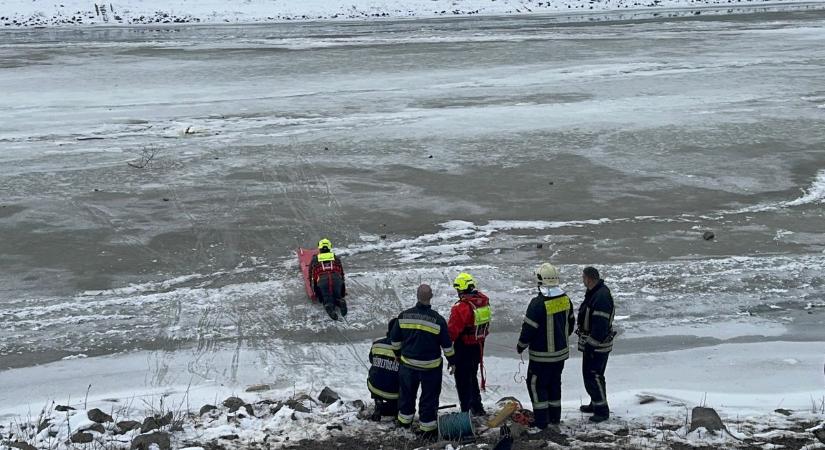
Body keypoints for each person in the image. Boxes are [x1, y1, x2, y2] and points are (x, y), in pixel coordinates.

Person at [390, 284, 455, 440]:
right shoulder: (438, 320)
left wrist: (398, 355)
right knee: (429, 398)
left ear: (417, 296)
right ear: (430, 296)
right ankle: (427, 428)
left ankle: (404, 423)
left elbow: (394, 340)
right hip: (430, 368)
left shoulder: (404, 316)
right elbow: (447, 346)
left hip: (408, 365)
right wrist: (452, 362)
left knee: (406, 395)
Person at [516, 263, 575, 431]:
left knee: (537, 385)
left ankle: (542, 421)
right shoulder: (565, 300)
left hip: (541, 357)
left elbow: (528, 329)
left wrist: (521, 345)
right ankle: (554, 417)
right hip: (560, 355)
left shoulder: (537, 303)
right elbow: (570, 324)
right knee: (554, 384)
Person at [447, 272, 491, 416]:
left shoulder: (460, 308)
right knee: (472, 375)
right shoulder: (483, 301)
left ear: (460, 289)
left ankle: (465, 411)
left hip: (463, 348)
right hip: (478, 346)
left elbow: (452, 332)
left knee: (462, 380)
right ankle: (477, 407)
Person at [576, 266, 616, 423]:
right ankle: (595, 403)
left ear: (589, 278)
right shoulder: (596, 293)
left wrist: (591, 345)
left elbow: (600, 325)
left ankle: (601, 410)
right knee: (593, 375)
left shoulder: (601, 297)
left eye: (583, 277)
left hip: (597, 345)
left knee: (593, 375)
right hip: (594, 342)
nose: (582, 280)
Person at [368, 318, 400, 421]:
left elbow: (371, 360)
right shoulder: (405, 349)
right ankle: (395, 410)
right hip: (394, 393)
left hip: (374, 387)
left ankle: (378, 403)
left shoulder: (377, 344)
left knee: (377, 375)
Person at [309, 238, 347, 320]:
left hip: (323, 280)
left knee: (326, 298)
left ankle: (330, 307)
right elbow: (342, 274)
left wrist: (314, 291)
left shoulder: (315, 259)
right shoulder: (335, 257)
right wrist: (343, 291)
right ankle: (340, 301)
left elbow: (311, 276)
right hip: (337, 279)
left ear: (319, 248)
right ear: (330, 248)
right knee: (337, 295)